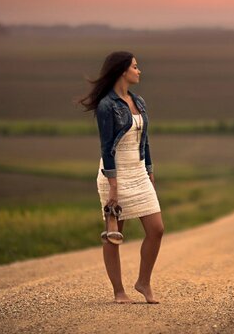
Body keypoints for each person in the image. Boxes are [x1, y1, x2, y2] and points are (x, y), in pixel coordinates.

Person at [79, 51, 164, 304]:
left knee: (157, 229)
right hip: (113, 173)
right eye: (135, 67)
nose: (139, 71)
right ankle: (118, 291)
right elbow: (106, 148)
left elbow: (144, 140)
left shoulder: (139, 101)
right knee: (114, 234)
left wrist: (149, 170)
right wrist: (113, 187)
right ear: (122, 71)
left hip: (138, 171)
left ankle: (143, 282)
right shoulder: (107, 105)